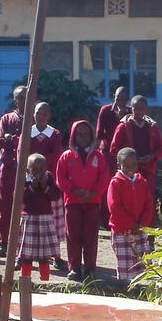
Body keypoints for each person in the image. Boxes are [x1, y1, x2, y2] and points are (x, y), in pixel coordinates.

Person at [56, 119, 108, 281]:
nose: (83, 137)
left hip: (93, 202)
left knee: (90, 236)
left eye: (86, 134)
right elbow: (60, 177)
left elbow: (104, 177)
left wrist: (94, 192)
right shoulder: (66, 156)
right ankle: (75, 268)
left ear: (91, 136)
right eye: (79, 134)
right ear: (73, 136)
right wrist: (73, 190)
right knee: (73, 235)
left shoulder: (98, 156)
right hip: (72, 202)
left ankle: (90, 268)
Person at [27, 102, 66, 269]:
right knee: (27, 221)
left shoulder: (55, 134)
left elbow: (56, 155)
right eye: (38, 113)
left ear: (49, 116)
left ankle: (56, 256)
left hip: (48, 180)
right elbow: (22, 154)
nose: (41, 117)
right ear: (33, 114)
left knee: (53, 222)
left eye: (44, 114)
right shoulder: (26, 132)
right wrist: (32, 171)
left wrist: (39, 167)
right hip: (29, 178)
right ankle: (23, 256)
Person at [107, 148, 154, 281]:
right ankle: (124, 289)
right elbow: (115, 208)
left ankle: (140, 289)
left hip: (140, 230)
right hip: (122, 231)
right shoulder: (115, 183)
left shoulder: (142, 182)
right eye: (126, 165)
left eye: (133, 165)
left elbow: (149, 204)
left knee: (142, 263)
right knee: (125, 265)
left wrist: (143, 223)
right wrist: (131, 224)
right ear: (119, 165)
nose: (130, 169)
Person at [109, 95, 162, 198]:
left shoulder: (152, 127)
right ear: (131, 108)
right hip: (129, 170)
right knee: (129, 196)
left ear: (146, 109)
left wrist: (152, 156)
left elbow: (161, 148)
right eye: (136, 108)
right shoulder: (123, 126)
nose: (139, 111)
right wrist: (128, 159)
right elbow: (114, 149)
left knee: (147, 197)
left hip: (148, 169)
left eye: (142, 108)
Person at [17, 153, 62, 282]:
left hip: (44, 220)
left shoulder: (48, 177)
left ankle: (45, 282)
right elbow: (18, 196)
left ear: (46, 168)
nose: (38, 173)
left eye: (42, 169)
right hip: (29, 220)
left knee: (44, 256)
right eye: (34, 170)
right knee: (27, 256)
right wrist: (32, 186)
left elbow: (56, 195)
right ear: (27, 170)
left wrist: (45, 187)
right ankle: (25, 282)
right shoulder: (24, 178)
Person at [0, 85, 27, 257]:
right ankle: (3, 242)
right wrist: (15, 140)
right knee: (5, 205)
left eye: (27, 97)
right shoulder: (6, 119)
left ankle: (22, 243)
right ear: (15, 100)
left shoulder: (33, 119)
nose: (23, 101)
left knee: (26, 205)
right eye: (20, 98)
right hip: (8, 168)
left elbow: (30, 142)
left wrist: (12, 139)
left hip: (27, 170)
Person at [95, 86, 131, 173]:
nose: (120, 103)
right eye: (118, 99)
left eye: (124, 100)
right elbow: (99, 134)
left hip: (124, 153)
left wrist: (122, 118)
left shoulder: (130, 112)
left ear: (127, 100)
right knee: (107, 176)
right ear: (114, 96)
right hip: (107, 152)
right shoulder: (106, 110)